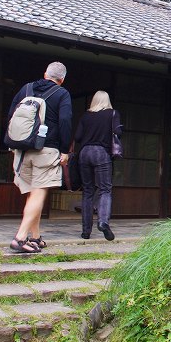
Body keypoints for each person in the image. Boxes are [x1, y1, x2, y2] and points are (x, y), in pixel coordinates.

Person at [7, 62, 72, 253]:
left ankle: (35, 237)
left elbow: (11, 115)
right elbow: (65, 122)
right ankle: (20, 238)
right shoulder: (62, 94)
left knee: (32, 193)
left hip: (22, 150)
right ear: (62, 79)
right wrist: (64, 150)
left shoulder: (26, 89)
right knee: (38, 192)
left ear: (45, 74)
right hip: (46, 150)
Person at [74, 90, 122, 241]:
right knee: (105, 189)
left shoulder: (86, 116)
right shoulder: (112, 113)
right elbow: (117, 132)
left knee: (87, 191)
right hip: (101, 152)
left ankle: (85, 231)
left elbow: (77, 137)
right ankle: (103, 222)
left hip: (84, 153)